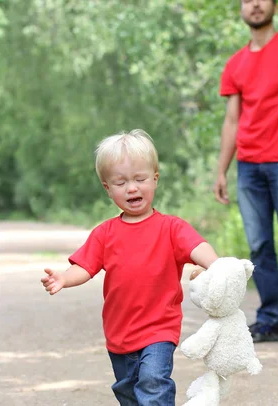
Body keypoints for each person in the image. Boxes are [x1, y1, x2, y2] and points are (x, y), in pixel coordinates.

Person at [41, 129, 219, 405]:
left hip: (159, 330)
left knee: (153, 383)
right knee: (129, 393)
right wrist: (64, 278)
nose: (132, 188)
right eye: (121, 182)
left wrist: (217, 266)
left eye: (140, 179)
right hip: (119, 333)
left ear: (155, 180)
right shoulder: (105, 233)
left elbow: (198, 247)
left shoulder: (171, 228)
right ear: (107, 188)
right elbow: (85, 267)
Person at [213, 0, 278, 348]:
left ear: (274, 5)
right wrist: (221, 171)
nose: (255, 4)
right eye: (247, 0)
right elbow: (232, 121)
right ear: (242, 9)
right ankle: (271, 319)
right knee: (259, 247)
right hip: (248, 168)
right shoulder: (235, 63)